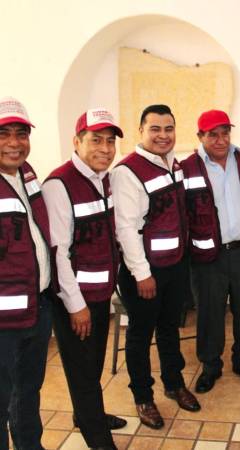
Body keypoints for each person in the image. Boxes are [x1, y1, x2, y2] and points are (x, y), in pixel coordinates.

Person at [111, 104, 200, 430]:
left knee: (169, 330)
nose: (163, 136)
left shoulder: (172, 163)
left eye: (168, 129)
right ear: (141, 131)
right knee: (139, 336)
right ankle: (143, 397)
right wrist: (142, 274)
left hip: (175, 266)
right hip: (144, 272)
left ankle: (174, 383)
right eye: (155, 129)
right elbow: (126, 228)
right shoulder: (127, 171)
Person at [42, 108, 126, 449]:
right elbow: (59, 253)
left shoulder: (104, 178)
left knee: (91, 366)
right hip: (74, 299)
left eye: (110, 142)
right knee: (81, 371)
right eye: (96, 140)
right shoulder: (59, 184)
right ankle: (98, 438)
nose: (105, 148)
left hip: (99, 291)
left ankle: (87, 415)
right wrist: (76, 306)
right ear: (76, 142)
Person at [182, 109, 240, 394]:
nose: (220, 140)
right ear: (200, 137)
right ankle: (210, 366)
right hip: (207, 257)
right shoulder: (186, 168)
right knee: (209, 313)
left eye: (225, 133)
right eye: (212, 134)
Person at [0, 97, 53, 450]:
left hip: (36, 306)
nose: (15, 143)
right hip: (3, 319)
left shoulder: (27, 173)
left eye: (21, 133)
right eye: (4, 134)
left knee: (28, 390)